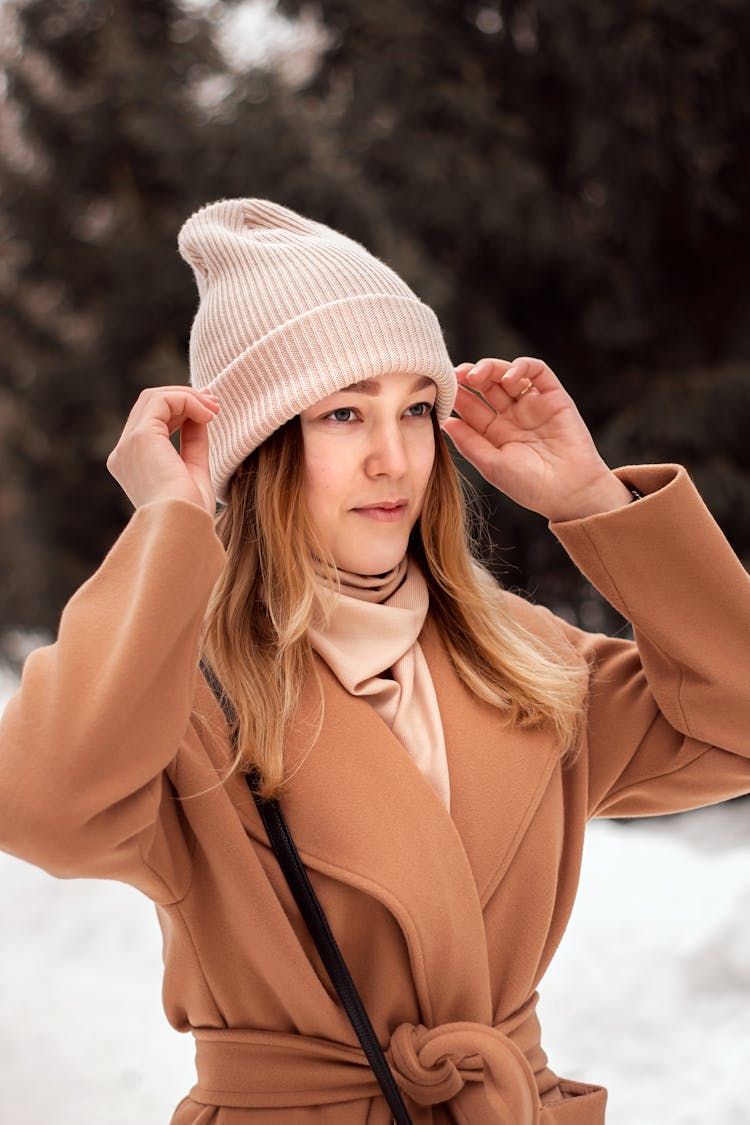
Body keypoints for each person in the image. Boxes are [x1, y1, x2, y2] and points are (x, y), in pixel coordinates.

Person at [1, 198, 749, 1125]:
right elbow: (43, 811)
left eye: (417, 409)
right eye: (344, 413)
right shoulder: (183, 694)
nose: (394, 457)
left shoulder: (525, 659)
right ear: (264, 446)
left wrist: (595, 502)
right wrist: (170, 524)